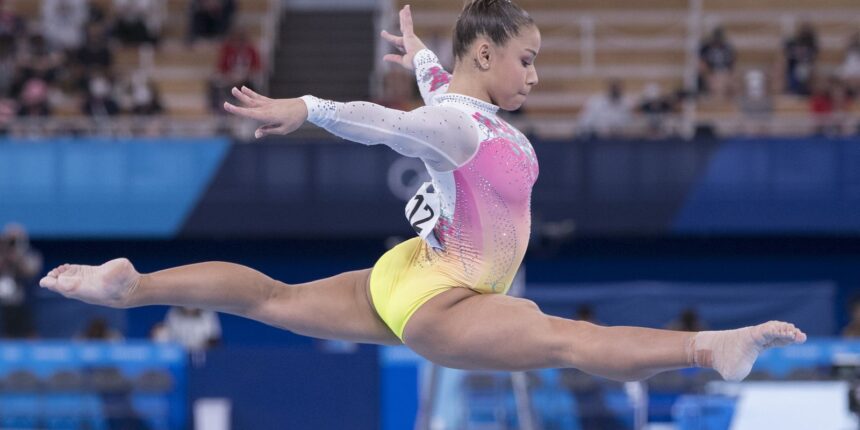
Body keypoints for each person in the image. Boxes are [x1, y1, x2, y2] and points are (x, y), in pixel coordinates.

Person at [41, 1, 805, 384]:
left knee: (271, 299)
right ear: (488, 50)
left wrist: (420, 55)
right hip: (446, 303)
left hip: (415, 271)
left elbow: (445, 89)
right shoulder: (460, 129)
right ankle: (711, 346)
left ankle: (132, 285)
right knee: (566, 338)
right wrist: (304, 108)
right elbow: (389, 125)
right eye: (528, 60)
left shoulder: (463, 107)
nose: (535, 76)